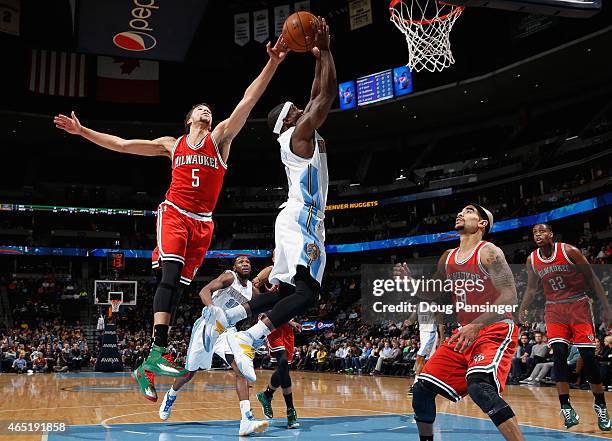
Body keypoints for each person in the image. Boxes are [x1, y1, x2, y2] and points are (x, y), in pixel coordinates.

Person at [54, 41, 289, 401]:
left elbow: (248, 101)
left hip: (204, 224)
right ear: (189, 120)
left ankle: (147, 364)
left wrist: (272, 64)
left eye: (208, 109)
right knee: (169, 273)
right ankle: (158, 349)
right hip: (175, 213)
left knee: (178, 286)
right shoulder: (172, 144)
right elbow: (122, 144)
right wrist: (83, 132)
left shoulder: (221, 138)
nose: (206, 111)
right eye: (200, 109)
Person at [209, 18, 337, 383]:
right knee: (308, 292)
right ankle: (248, 337)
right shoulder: (298, 136)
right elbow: (325, 97)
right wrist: (325, 51)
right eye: (297, 110)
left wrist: (317, 58)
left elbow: (316, 95)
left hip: (300, 219)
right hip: (301, 217)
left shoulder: (295, 135)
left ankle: (229, 319)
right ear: (289, 121)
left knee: (285, 289)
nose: (303, 109)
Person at [396, 204, 524, 441]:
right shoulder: (448, 256)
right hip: (464, 333)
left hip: (494, 329)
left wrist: (476, 324)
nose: (461, 213)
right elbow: (434, 291)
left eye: (468, 211)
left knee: (479, 387)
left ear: (483, 223)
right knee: (422, 389)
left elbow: (510, 296)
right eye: (461, 211)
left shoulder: (489, 252)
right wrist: (411, 283)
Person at [157, 256, 269, 436]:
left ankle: (246, 419)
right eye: (241, 262)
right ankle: (171, 395)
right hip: (208, 324)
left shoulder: (252, 291)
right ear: (234, 267)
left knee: (240, 369)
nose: (245, 264)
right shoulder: (229, 277)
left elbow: (268, 308)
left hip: (227, 330)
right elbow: (204, 291)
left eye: (247, 262)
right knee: (189, 372)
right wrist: (212, 307)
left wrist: (289, 320)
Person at [519, 223, 612, 430]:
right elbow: (532, 288)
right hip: (554, 309)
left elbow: (592, 278)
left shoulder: (570, 251)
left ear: (551, 234)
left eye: (542, 231)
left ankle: (601, 406)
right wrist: (522, 308)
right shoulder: (532, 260)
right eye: (535, 232)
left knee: (588, 356)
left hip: (578, 304)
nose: (538, 235)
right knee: (558, 353)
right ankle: (566, 406)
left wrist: (605, 306)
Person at [254, 261, 302, 429]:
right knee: (282, 363)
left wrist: (291, 321)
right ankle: (291, 410)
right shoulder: (270, 271)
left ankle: (267, 395)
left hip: (286, 324)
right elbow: (254, 292)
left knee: (284, 368)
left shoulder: (294, 274)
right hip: (270, 321)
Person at [408, 308, 444, 394]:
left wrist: (442, 340)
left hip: (430, 334)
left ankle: (416, 384)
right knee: (429, 360)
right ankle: (431, 382)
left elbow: (441, 325)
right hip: (422, 334)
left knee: (419, 357)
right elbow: (411, 319)